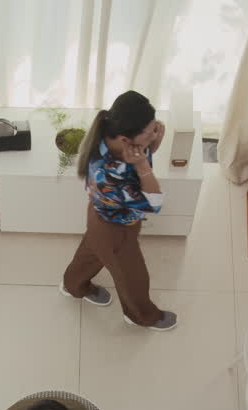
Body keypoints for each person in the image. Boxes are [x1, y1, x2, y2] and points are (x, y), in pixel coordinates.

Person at [60, 90, 177, 331]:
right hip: (115, 230)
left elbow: (143, 156)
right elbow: (153, 202)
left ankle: (72, 286)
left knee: (91, 253)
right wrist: (143, 165)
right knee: (133, 277)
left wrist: (153, 141)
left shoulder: (112, 138)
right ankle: (140, 316)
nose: (155, 133)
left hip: (101, 217)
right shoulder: (108, 176)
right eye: (150, 131)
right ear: (126, 139)